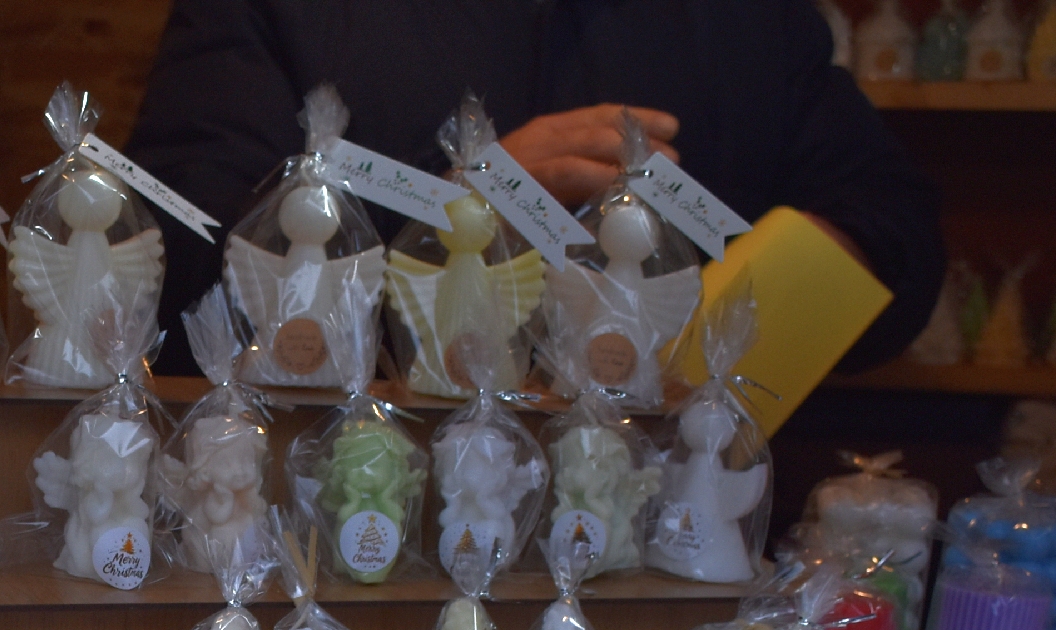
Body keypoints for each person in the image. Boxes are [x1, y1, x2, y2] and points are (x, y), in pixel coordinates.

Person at [127, 0, 943, 372]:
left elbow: (895, 234)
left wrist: (786, 281)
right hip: (344, 538)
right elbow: (172, 260)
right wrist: (444, 216)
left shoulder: (751, 22)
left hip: (676, 558)